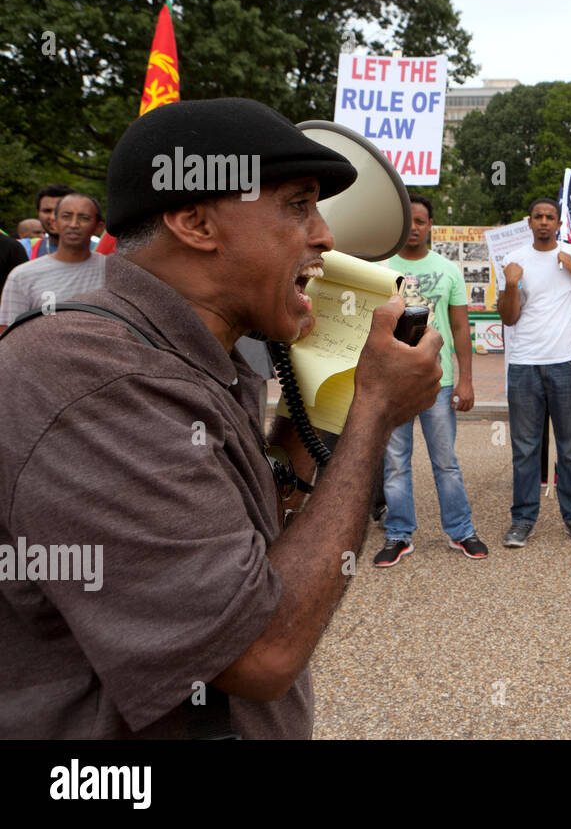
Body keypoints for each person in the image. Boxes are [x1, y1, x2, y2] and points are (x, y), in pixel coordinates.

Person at [0, 97, 444, 737]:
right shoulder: (92, 377)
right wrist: (374, 410)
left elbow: (260, 552)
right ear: (194, 222)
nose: (324, 235)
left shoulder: (195, 354)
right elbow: (259, 653)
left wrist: (316, 399)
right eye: (298, 205)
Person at [375, 193, 487, 566]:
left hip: (437, 382)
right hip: (394, 380)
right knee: (395, 462)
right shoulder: (379, 267)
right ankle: (398, 534)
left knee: (446, 460)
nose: (414, 228)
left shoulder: (450, 269)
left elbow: (459, 327)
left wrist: (465, 381)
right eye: (408, 221)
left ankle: (461, 531)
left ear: (430, 226)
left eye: (420, 221)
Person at [498, 198, 571, 547]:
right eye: (538, 217)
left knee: (570, 446)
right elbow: (508, 317)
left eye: (550, 217)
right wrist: (511, 285)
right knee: (525, 448)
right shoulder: (515, 261)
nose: (543, 222)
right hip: (524, 364)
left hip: (566, 363)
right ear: (529, 222)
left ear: (559, 223)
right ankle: (522, 519)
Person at [0, 192, 107, 332]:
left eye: (84, 218)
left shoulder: (113, 271)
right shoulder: (22, 276)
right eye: (66, 216)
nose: (74, 224)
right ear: (54, 223)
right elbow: (7, 333)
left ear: (98, 227)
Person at [28, 184, 72, 257]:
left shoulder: (94, 249)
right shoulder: (27, 250)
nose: (52, 217)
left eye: (59, 210)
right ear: (38, 213)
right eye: (47, 211)